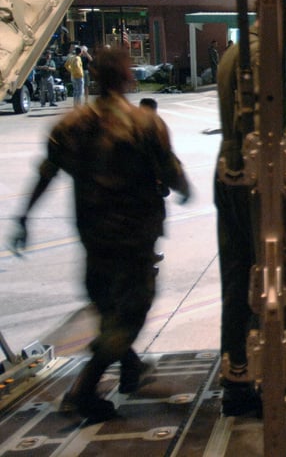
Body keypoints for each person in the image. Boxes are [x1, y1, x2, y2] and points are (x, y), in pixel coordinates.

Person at [10, 47, 191, 422]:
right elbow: (171, 173)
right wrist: (186, 188)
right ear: (126, 77)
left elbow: (45, 174)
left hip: (93, 235)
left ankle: (129, 368)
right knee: (131, 313)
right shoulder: (144, 123)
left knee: (108, 306)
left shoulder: (70, 125)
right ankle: (84, 392)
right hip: (134, 237)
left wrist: (23, 218)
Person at [214, 0, 286, 418]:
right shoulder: (262, 58)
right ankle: (284, 382)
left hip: (233, 175)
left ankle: (237, 381)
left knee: (238, 281)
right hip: (262, 183)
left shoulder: (238, 52)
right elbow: (264, 134)